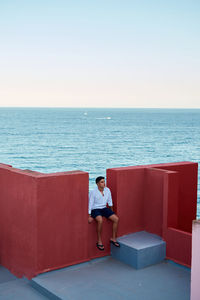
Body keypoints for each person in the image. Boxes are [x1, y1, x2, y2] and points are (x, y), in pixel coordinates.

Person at [88, 176, 120, 251]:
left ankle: (113, 238)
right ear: (97, 184)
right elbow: (90, 203)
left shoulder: (107, 190)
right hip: (95, 209)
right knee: (100, 220)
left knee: (116, 219)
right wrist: (89, 215)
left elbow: (110, 201)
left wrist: (112, 211)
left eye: (104, 181)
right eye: (102, 182)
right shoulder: (93, 192)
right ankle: (99, 240)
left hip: (104, 208)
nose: (104, 183)